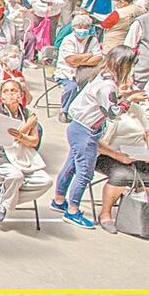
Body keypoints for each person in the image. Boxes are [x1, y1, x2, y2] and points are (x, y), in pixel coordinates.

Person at [52, 46, 143, 230]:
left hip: (78, 128)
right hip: (86, 131)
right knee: (84, 172)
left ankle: (59, 199)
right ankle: (73, 210)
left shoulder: (102, 76)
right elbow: (112, 112)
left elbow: (107, 100)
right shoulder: (107, 85)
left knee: (71, 166)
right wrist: (130, 101)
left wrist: (126, 94)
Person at [0, 79, 52, 224]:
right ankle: (5, 198)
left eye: (14, 90)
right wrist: (26, 128)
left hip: (21, 156)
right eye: (6, 91)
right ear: (1, 96)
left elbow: (34, 141)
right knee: (16, 176)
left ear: (21, 95)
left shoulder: (27, 113)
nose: (10, 94)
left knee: (46, 181)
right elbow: (7, 138)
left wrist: (23, 135)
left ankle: (4, 197)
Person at [94, 95, 149, 234]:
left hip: (135, 155)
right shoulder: (103, 113)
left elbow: (147, 133)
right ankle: (105, 214)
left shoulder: (136, 110)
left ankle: (143, 218)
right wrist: (119, 156)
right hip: (105, 154)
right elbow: (95, 143)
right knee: (121, 175)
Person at [55, 13, 103, 118]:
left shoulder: (92, 40)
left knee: (92, 87)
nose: (83, 29)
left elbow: (98, 58)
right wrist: (89, 55)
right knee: (72, 87)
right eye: (80, 27)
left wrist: (79, 61)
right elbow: (71, 60)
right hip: (66, 73)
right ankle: (65, 110)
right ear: (74, 28)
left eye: (85, 27)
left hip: (85, 73)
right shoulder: (68, 40)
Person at [24, 0, 67, 64]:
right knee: (34, 34)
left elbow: (64, 1)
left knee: (50, 35)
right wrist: (33, 2)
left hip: (52, 14)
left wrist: (54, 2)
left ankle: (48, 56)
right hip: (38, 12)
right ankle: (32, 55)